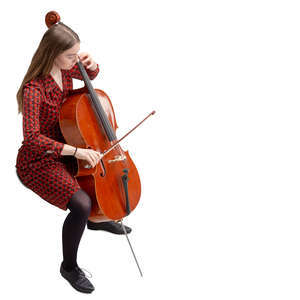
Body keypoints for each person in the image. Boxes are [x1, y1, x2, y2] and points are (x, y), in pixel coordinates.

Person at [15, 20, 131, 294]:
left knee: (95, 184)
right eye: (71, 56)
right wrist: (79, 152)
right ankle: (69, 266)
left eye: (77, 54)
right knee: (81, 202)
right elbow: (31, 139)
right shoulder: (34, 89)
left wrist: (90, 65)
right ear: (52, 53)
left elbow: (91, 76)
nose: (75, 61)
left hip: (70, 143)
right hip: (40, 159)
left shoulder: (66, 71)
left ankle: (95, 219)